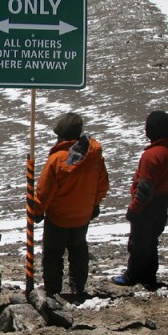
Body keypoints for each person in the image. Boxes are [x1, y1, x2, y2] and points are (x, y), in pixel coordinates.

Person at [33, 112, 109, 297]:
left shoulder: (57, 159)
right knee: (79, 251)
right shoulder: (93, 156)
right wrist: (94, 205)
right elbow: (103, 184)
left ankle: (53, 292)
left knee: (53, 255)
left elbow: (44, 191)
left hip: (58, 218)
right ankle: (78, 288)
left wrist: (37, 211)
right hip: (83, 216)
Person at [112, 110, 168, 290]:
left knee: (138, 244)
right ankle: (149, 276)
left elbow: (144, 189)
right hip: (163, 200)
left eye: (148, 128)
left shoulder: (151, 156)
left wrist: (134, 209)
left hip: (148, 205)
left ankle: (132, 276)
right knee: (152, 241)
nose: (145, 130)